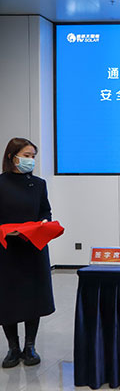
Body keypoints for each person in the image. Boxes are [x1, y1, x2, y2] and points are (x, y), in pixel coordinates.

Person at [0, 138, 54, 368]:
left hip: (33, 248)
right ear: (12, 157)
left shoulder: (39, 184)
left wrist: (44, 222)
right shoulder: (1, 183)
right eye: (27, 155)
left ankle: (30, 346)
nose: (31, 160)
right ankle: (13, 347)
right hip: (7, 250)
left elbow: (45, 211)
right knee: (8, 298)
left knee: (33, 297)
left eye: (33, 156)